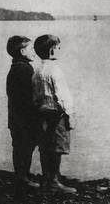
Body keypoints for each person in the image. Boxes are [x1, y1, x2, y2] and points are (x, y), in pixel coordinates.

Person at [32, 34, 76, 194]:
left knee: (45, 146)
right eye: (58, 47)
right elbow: (62, 95)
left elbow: (36, 96)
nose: (60, 49)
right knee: (57, 147)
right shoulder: (54, 70)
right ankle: (54, 182)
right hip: (56, 114)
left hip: (42, 113)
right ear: (51, 50)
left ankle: (48, 179)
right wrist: (69, 114)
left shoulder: (38, 70)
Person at [5, 35, 40, 189]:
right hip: (23, 118)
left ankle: (22, 175)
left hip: (17, 117)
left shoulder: (17, 67)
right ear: (23, 51)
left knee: (21, 146)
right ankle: (22, 178)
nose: (34, 52)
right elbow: (28, 96)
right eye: (31, 49)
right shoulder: (24, 69)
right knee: (24, 146)